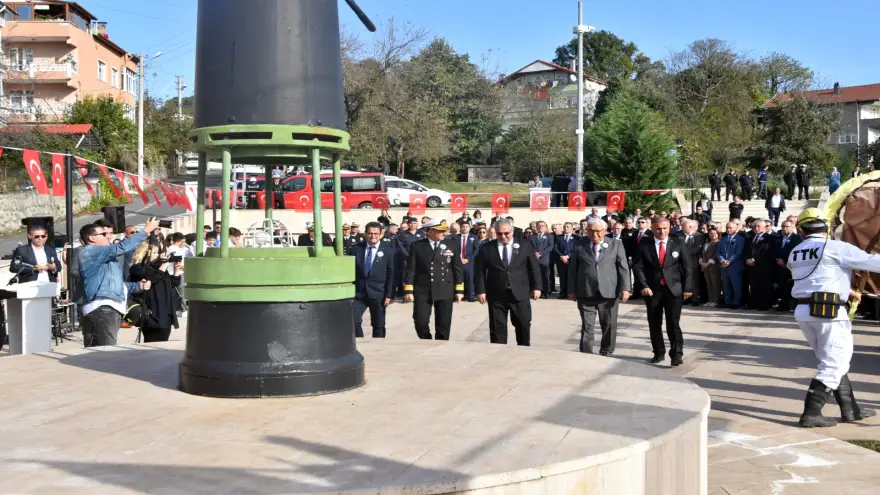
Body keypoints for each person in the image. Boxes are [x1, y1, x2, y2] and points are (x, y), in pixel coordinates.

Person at [788, 208, 880, 428]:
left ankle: (850, 410)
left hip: (804, 311)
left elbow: (817, 279)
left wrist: (845, 287)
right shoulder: (835, 247)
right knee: (834, 363)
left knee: (832, 360)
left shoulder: (795, 251)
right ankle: (811, 412)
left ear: (801, 230)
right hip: (829, 312)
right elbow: (873, 263)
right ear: (827, 226)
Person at [78, 219, 158, 347]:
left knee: (95, 354)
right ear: (92, 238)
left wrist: (138, 285)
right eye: (104, 234)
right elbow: (121, 247)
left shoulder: (104, 256)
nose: (109, 236)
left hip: (105, 309)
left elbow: (115, 285)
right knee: (106, 353)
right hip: (103, 309)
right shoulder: (90, 251)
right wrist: (146, 231)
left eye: (109, 233)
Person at [632, 217, 693, 366]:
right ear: (652, 228)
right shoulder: (644, 245)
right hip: (652, 291)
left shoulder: (677, 243)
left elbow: (687, 267)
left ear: (669, 228)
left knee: (673, 323)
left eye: (665, 228)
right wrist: (644, 285)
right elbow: (637, 267)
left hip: (673, 290)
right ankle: (658, 353)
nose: (662, 231)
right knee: (654, 323)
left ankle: (676, 354)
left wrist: (688, 288)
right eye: (658, 228)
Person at [567, 219, 630, 355]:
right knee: (587, 326)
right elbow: (573, 268)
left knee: (608, 325)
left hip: (608, 291)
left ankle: (606, 351)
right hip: (585, 291)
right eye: (590, 231)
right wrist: (571, 289)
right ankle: (586, 352)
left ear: (605, 230)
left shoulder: (616, 244)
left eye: (597, 231)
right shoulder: (579, 244)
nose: (594, 235)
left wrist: (625, 288)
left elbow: (623, 268)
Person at [474, 219, 541, 346]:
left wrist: (537, 287)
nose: (503, 236)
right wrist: (480, 290)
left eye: (506, 233)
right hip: (497, 293)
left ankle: (523, 351)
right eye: (499, 234)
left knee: (523, 324)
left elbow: (534, 268)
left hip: (520, 293)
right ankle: (497, 355)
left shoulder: (525, 245)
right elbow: (479, 271)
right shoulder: (486, 248)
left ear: (512, 231)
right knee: (497, 328)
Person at [403, 219, 464, 340]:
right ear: (429, 231)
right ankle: (426, 340)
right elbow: (411, 269)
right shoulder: (417, 246)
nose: (444, 233)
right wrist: (409, 290)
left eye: (445, 231)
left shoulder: (452, 245)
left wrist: (459, 290)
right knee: (420, 321)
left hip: (444, 287)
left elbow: (457, 268)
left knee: (444, 323)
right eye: (440, 231)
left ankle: (441, 344)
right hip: (423, 289)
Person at [128, 241, 182, 342]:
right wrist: (163, 266)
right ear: (144, 254)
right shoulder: (137, 268)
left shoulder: (158, 268)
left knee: (163, 343)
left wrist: (176, 271)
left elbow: (172, 283)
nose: (158, 255)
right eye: (154, 253)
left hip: (165, 314)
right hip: (152, 314)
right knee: (153, 344)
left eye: (158, 253)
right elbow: (154, 277)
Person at [351, 222, 395, 338]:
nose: (373, 236)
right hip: (359, 293)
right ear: (365, 234)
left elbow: (392, 274)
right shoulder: (356, 249)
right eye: (370, 233)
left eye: (376, 233)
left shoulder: (388, 250)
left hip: (379, 293)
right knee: (353, 321)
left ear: (381, 234)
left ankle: (379, 348)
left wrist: (389, 295)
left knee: (378, 325)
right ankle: (360, 344)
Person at [774, 220, 802, 311]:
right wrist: (778, 259)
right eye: (783, 226)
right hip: (779, 266)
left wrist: (785, 262)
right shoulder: (777, 237)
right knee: (782, 286)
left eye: (787, 226)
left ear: (792, 227)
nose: (784, 228)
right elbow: (773, 250)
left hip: (791, 266)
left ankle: (793, 304)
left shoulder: (797, 238)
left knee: (793, 286)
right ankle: (784, 304)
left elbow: (796, 252)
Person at [717, 221, 745, 309]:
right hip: (724, 266)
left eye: (730, 228)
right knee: (726, 284)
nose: (728, 229)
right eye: (727, 228)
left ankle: (736, 302)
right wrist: (722, 260)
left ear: (736, 228)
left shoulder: (740, 239)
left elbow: (738, 252)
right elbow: (718, 252)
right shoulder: (723, 239)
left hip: (735, 265)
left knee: (736, 284)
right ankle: (727, 301)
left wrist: (728, 261)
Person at [452, 220, 478, 302]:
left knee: (469, 279)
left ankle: (470, 295)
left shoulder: (474, 237)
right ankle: (458, 295)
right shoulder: (455, 237)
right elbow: (452, 249)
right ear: (460, 228)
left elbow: (476, 250)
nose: (464, 228)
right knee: (458, 278)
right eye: (463, 227)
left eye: (466, 227)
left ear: (469, 228)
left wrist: (468, 259)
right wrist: (457, 259)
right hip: (458, 261)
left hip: (469, 262)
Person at [529, 221, 554, 298]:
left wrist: (541, 253)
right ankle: (535, 291)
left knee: (545, 276)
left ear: (546, 227)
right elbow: (529, 246)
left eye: (543, 225)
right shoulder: (531, 237)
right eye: (539, 225)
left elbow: (550, 246)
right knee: (535, 276)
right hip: (535, 259)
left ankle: (546, 292)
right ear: (536, 227)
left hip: (545, 259)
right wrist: (534, 253)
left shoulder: (549, 236)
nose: (541, 227)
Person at [699, 227, 722, 307]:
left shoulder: (719, 243)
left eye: (714, 233)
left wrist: (708, 263)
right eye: (711, 233)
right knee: (709, 284)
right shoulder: (707, 243)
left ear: (718, 234)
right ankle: (710, 300)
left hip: (714, 266)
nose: (713, 235)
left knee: (715, 284)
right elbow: (702, 254)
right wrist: (701, 262)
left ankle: (716, 300)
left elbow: (716, 255)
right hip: (705, 266)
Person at [554, 222, 577, 300]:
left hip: (571, 260)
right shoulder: (559, 237)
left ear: (571, 228)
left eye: (568, 227)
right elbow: (555, 248)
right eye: (564, 227)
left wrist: (567, 256)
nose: (566, 228)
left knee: (571, 277)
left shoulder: (576, 238)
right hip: (561, 260)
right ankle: (562, 293)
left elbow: (576, 249)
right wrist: (562, 256)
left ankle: (570, 292)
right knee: (562, 277)